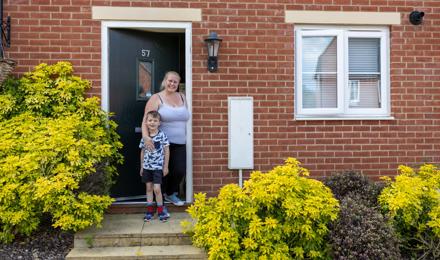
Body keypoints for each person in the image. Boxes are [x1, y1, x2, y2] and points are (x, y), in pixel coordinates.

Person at [142, 71, 190, 207]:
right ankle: (159, 203)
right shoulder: (157, 98)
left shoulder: (182, 97)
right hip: (160, 143)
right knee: (161, 172)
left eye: (175, 82)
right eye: (170, 80)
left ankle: (170, 193)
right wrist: (146, 137)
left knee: (179, 170)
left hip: (180, 142)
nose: (172, 84)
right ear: (165, 81)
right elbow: (145, 120)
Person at [139, 110, 170, 222]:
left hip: (158, 168)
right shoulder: (145, 137)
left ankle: (161, 211)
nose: (152, 122)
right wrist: (142, 167)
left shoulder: (162, 136)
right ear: (146, 122)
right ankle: (150, 211)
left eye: (155, 120)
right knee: (149, 188)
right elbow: (142, 152)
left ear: (159, 123)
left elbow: (167, 151)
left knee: (157, 189)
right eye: (150, 120)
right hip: (147, 167)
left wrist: (165, 166)